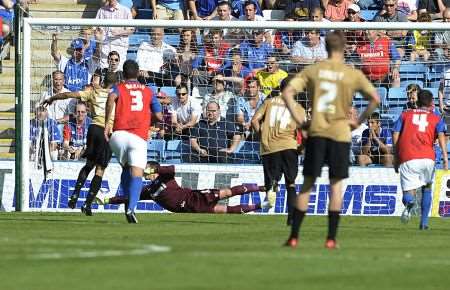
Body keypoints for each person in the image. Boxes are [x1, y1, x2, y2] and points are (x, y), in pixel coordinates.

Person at [282, 31, 380, 249]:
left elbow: (287, 92)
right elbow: (375, 98)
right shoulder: (350, 73)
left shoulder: (314, 70)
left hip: (317, 132)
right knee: (335, 186)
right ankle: (331, 239)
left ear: (324, 47)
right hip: (340, 135)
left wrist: (301, 120)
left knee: (307, 184)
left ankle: (294, 236)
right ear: (344, 47)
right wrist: (359, 121)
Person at [42, 72, 119, 215]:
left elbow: (68, 95)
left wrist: (52, 97)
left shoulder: (93, 92)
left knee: (89, 165)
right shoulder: (117, 96)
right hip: (107, 131)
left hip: (93, 129)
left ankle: (75, 194)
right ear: (115, 83)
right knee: (100, 170)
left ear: (102, 81)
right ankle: (87, 204)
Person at [104, 60, 163, 223]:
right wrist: (147, 118)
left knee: (126, 168)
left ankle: (126, 203)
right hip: (137, 137)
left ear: (123, 74)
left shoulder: (119, 88)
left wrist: (107, 124)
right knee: (137, 173)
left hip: (118, 136)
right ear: (138, 73)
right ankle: (131, 208)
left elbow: (111, 98)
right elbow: (159, 117)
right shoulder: (148, 91)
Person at [98, 161, 270, 213]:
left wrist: (155, 168)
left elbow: (171, 168)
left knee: (228, 192)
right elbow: (128, 197)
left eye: (149, 172)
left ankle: (262, 187)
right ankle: (261, 206)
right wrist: (107, 199)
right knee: (226, 210)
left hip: (195, 197)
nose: (147, 175)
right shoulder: (149, 190)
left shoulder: (166, 176)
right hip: (191, 209)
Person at [251, 76, 306, 225]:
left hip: (269, 148)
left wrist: (262, 134)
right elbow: (305, 132)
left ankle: (272, 186)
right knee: (291, 183)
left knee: (272, 179)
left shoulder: (268, 102)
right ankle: (292, 218)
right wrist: (301, 148)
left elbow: (254, 120)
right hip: (289, 146)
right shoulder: (298, 108)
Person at [392, 89, 448, 230]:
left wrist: (396, 155)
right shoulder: (436, 118)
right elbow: (441, 136)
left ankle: (410, 203)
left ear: (417, 102)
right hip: (428, 158)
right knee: (427, 189)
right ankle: (424, 224)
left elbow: (395, 134)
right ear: (430, 103)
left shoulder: (405, 115)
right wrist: (445, 157)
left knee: (407, 194)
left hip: (408, 156)